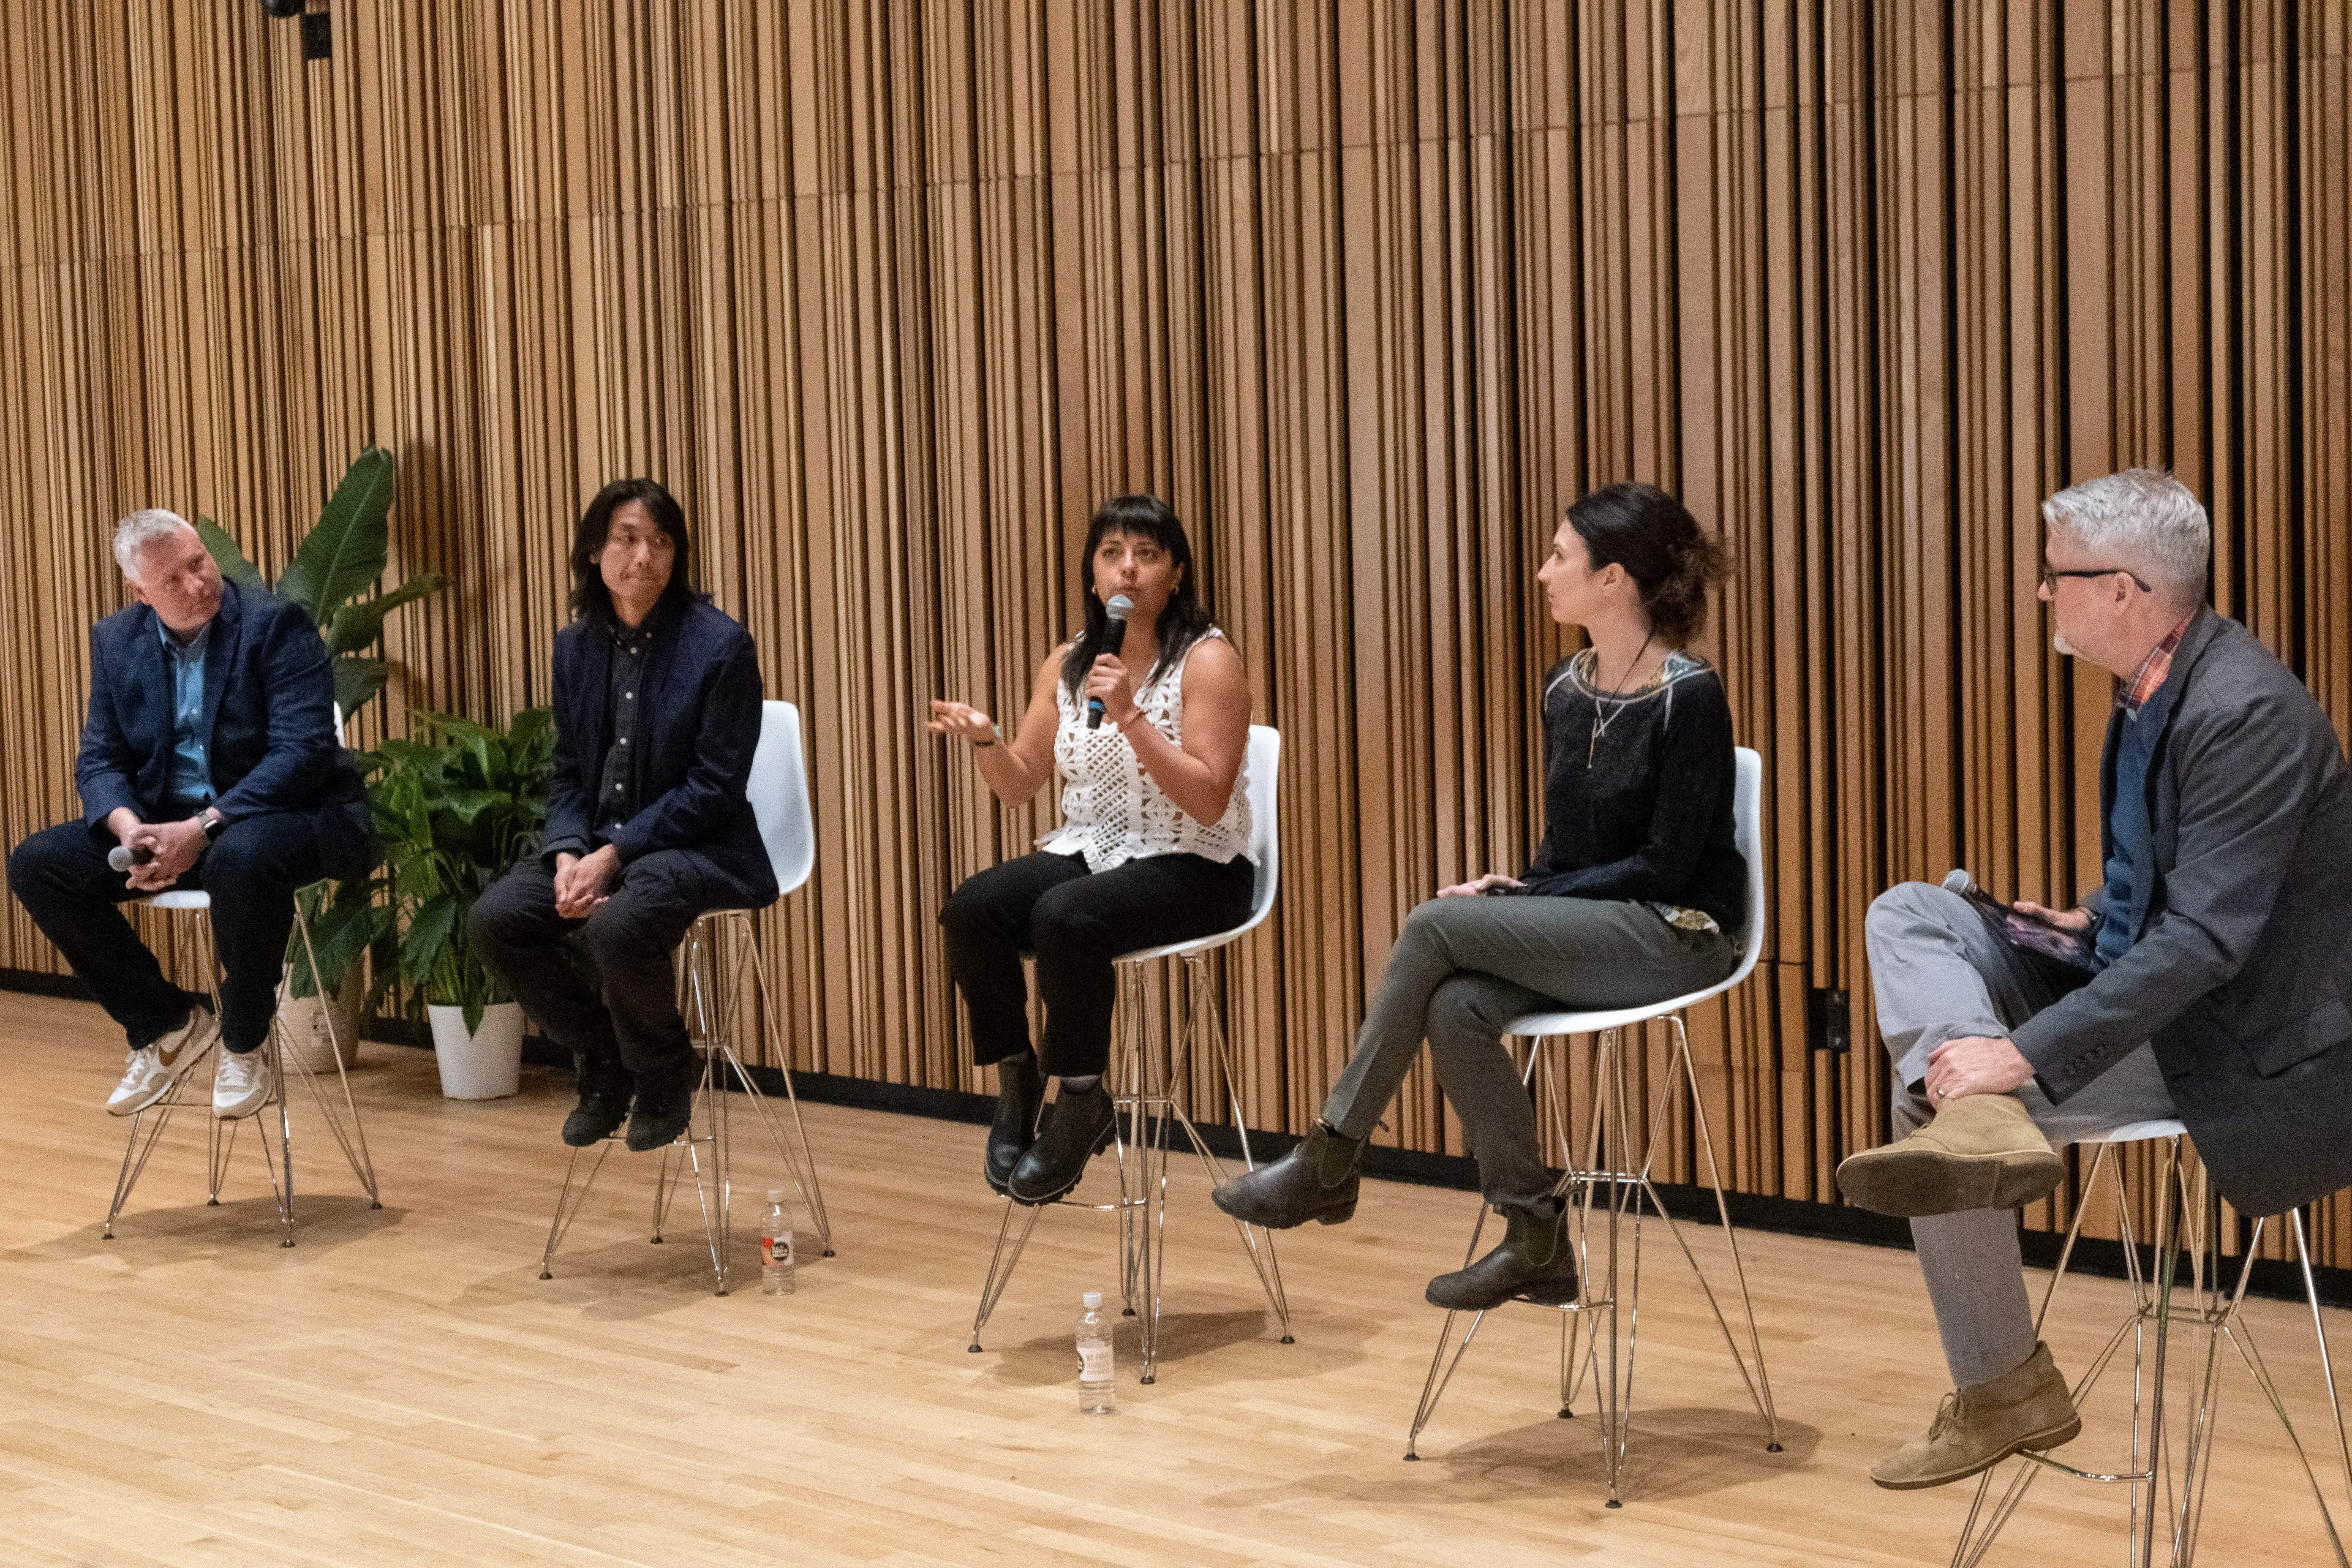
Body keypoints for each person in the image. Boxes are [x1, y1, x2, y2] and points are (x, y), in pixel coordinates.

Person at [1837, 468, 2352, 1491]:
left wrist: (2018, 1052)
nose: (2043, 594)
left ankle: (2002, 1387)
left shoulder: (2244, 708)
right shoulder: (2158, 682)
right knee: (1912, 908)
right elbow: (2170, 880)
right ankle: (1980, 1130)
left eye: (2056, 576)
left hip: (2241, 1040)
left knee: (1931, 1094)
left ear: (2122, 589)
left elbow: (2208, 941)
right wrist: (2085, 918)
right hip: (2152, 986)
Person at [1211, 482, 1744, 1311]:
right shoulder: (1565, 690)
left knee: (1433, 923)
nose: (1543, 572)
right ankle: (1537, 1238)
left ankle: (1331, 1156)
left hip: (1681, 930)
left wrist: (1527, 894)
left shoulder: (1690, 694)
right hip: (1600, 922)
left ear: (1614, 579)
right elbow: (1569, 852)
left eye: (1560, 556)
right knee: (1454, 1004)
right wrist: (1524, 888)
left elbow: (1665, 867)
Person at [933, 494, 1255, 1205]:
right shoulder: (1070, 662)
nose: (1128, 569)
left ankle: (1080, 1098)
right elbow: (1019, 785)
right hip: (1093, 848)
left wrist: (1135, 716)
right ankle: (1017, 1079)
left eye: (1146, 555)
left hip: (1198, 862)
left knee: (1066, 917)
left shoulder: (1209, 662)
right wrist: (985, 738)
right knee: (972, 908)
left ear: (1177, 573)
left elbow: (1206, 799)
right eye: (1112, 554)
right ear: (1092, 573)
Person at [8, 509, 375, 1119]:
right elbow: (100, 759)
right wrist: (130, 830)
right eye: (173, 581)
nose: (199, 585)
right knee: (37, 865)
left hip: (285, 818)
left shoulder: (275, 626)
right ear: (140, 593)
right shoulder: (116, 640)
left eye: (198, 563)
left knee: (241, 854)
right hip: (168, 825)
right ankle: (166, 1021)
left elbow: (303, 751)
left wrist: (203, 828)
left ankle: (245, 1040)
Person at [470, 480, 775, 1153]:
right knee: (498, 920)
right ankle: (604, 1058)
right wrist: (569, 854)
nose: (645, 557)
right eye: (628, 539)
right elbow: (571, 774)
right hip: (602, 845)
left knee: (617, 925)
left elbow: (714, 788)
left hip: (703, 846)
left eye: (662, 542)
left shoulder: (722, 648)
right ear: (594, 551)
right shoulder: (575, 649)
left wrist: (616, 854)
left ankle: (665, 1074)